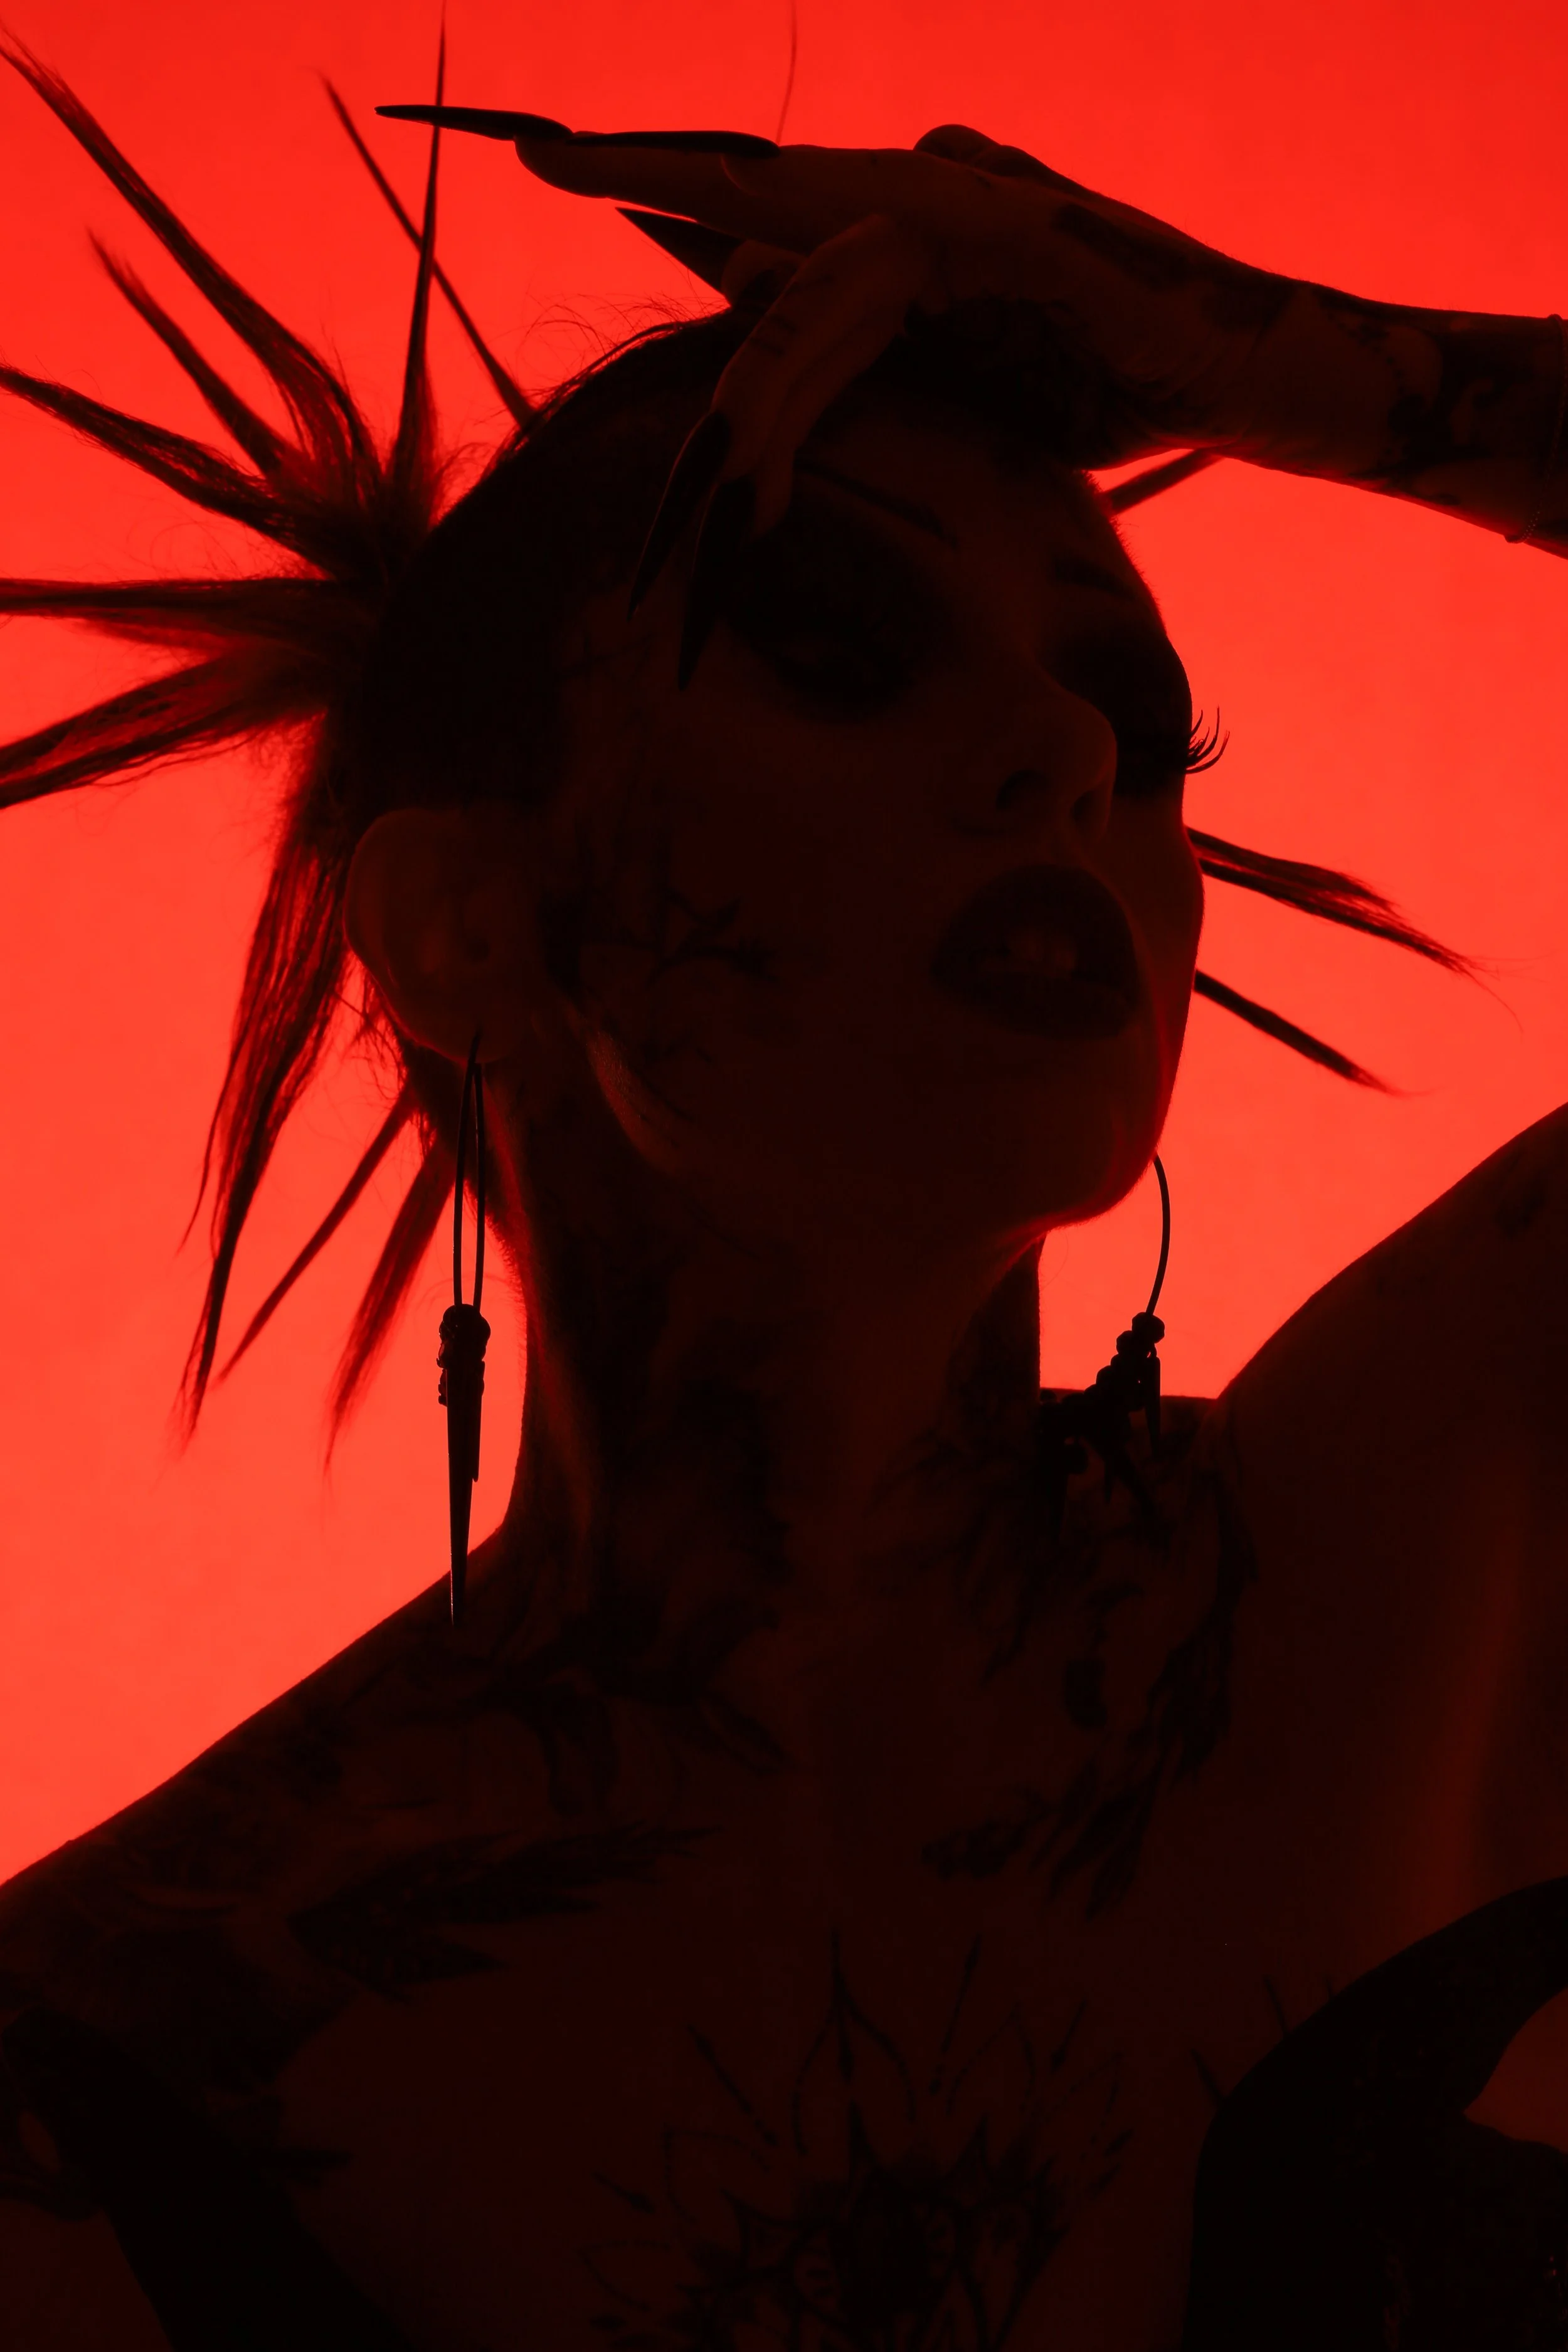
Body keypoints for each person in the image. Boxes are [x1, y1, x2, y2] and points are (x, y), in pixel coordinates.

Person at [0, 38, 1565, 2352]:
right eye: (834, 655)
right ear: (468, 924)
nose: (1060, 755)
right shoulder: (124, 2033)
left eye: (1142, 737)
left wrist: (1277, 361)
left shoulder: (1438, 1534)